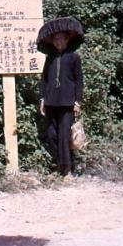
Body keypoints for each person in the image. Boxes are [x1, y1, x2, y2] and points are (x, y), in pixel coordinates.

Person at [36, 17, 84, 178]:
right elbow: (44, 79)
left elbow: (79, 81)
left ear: (66, 39)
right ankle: (59, 165)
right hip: (51, 102)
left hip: (67, 103)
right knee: (51, 135)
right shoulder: (50, 58)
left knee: (64, 136)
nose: (58, 42)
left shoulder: (74, 57)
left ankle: (67, 170)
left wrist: (77, 102)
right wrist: (42, 99)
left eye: (60, 38)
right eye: (55, 39)